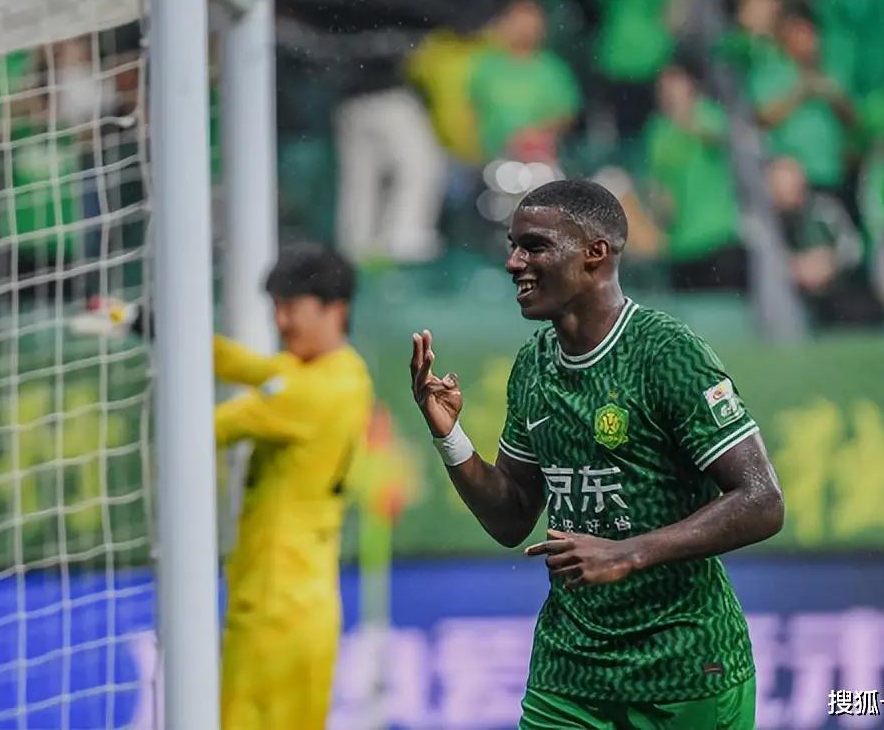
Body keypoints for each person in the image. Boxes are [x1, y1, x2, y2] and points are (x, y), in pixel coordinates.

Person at [408, 179, 783, 729]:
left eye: (534, 246)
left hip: (685, 670)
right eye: (513, 246)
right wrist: (450, 437)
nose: (513, 263)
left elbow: (762, 501)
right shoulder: (533, 365)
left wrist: (628, 553)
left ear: (595, 253)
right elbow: (512, 518)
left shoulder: (667, 354)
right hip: (570, 672)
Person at [215, 243, 374, 730]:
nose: (280, 322)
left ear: (334, 310)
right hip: (294, 601)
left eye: (291, 308)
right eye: (276, 308)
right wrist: (152, 325)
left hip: (277, 610)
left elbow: (206, 427)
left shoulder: (315, 392)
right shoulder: (338, 372)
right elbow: (246, 365)